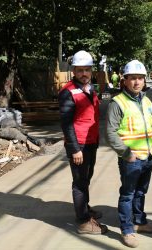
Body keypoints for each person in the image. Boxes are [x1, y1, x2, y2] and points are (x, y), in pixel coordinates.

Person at [105, 59, 152, 248]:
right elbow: (110, 133)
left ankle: (139, 222)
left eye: (140, 78)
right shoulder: (117, 102)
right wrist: (126, 153)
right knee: (128, 194)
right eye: (132, 78)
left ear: (144, 80)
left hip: (148, 156)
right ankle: (127, 229)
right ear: (125, 80)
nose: (137, 82)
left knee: (141, 192)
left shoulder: (147, 100)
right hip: (131, 159)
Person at [59, 50, 108, 235]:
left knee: (86, 178)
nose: (84, 74)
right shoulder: (67, 92)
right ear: (73, 71)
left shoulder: (90, 88)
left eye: (87, 70)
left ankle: (85, 208)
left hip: (91, 141)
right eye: (80, 70)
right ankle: (83, 221)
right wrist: (74, 149)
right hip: (78, 145)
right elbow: (66, 123)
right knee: (79, 182)